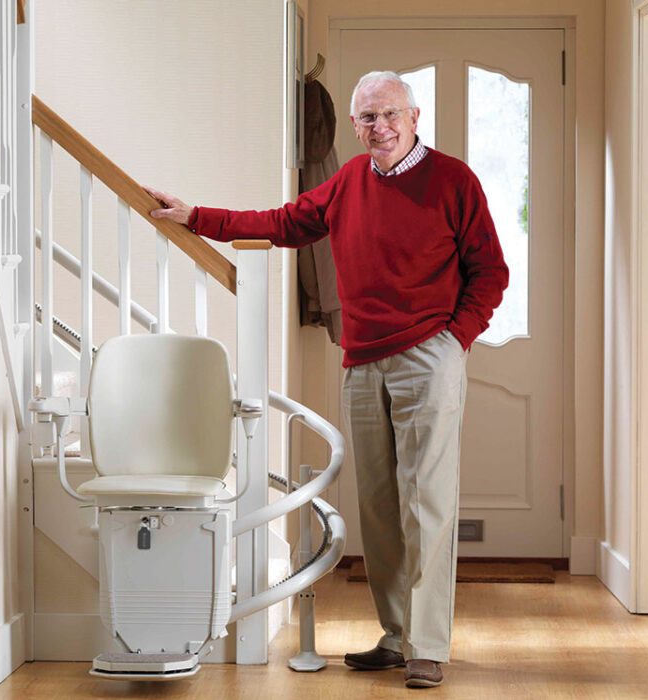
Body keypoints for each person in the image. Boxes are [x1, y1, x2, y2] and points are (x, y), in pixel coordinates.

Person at [146, 70, 508, 689]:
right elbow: (283, 223)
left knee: (428, 502)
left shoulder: (453, 181)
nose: (380, 128)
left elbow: (491, 272)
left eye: (391, 115)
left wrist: (455, 339)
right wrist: (198, 217)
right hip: (362, 359)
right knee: (378, 505)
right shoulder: (347, 182)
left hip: (430, 356)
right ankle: (396, 636)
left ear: (415, 117)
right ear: (354, 125)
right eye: (367, 118)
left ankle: (428, 644)